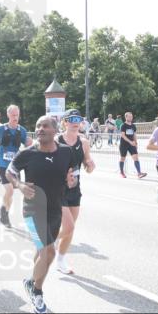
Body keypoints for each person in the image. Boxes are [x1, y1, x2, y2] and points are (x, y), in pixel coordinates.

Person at [9, 115, 78, 314]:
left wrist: (71, 181)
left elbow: (71, 174)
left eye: (45, 126)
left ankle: (32, 279)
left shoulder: (66, 152)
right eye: (38, 125)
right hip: (32, 210)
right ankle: (36, 291)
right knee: (49, 253)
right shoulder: (27, 153)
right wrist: (20, 185)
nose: (40, 129)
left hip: (55, 208)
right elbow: (9, 172)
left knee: (42, 253)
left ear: (55, 130)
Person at [55, 109, 95, 275]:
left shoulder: (84, 142)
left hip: (75, 189)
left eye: (78, 119)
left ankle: (60, 259)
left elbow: (87, 164)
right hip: (58, 189)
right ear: (65, 122)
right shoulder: (57, 140)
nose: (75, 122)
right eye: (71, 119)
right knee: (69, 226)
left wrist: (90, 164)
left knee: (71, 228)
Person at [0, 105, 31, 228]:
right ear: (8, 115)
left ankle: (4, 210)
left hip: (15, 166)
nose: (15, 117)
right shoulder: (2, 128)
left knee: (10, 194)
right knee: (10, 190)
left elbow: (26, 143)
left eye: (17, 115)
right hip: (2, 164)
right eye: (13, 115)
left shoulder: (21, 130)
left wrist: (30, 144)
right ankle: (4, 213)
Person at [118, 112, 147, 178]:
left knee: (136, 158)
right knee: (122, 158)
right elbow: (123, 135)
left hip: (132, 144)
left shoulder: (133, 126)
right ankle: (122, 172)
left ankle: (139, 173)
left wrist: (136, 143)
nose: (131, 118)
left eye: (131, 116)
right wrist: (130, 142)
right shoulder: (123, 125)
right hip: (124, 144)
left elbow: (134, 135)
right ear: (126, 117)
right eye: (129, 116)